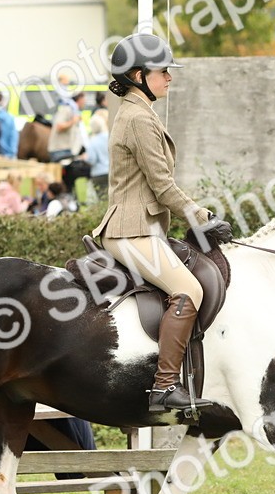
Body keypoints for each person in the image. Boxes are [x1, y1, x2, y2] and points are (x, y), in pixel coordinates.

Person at [93, 34, 233, 413]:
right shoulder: (138, 118)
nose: (169, 77)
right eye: (163, 71)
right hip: (129, 230)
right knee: (188, 289)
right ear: (139, 75)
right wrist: (204, 217)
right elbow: (163, 186)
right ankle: (164, 386)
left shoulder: (140, 111)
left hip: (144, 228)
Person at [85, 113, 110, 201]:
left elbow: (92, 160)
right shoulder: (109, 136)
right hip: (111, 171)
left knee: (103, 199)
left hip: (98, 174)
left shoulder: (92, 141)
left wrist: (85, 159)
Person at [0, 92, 17, 158]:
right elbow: (13, 137)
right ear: (3, 102)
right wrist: (12, 153)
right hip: (8, 155)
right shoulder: (10, 118)